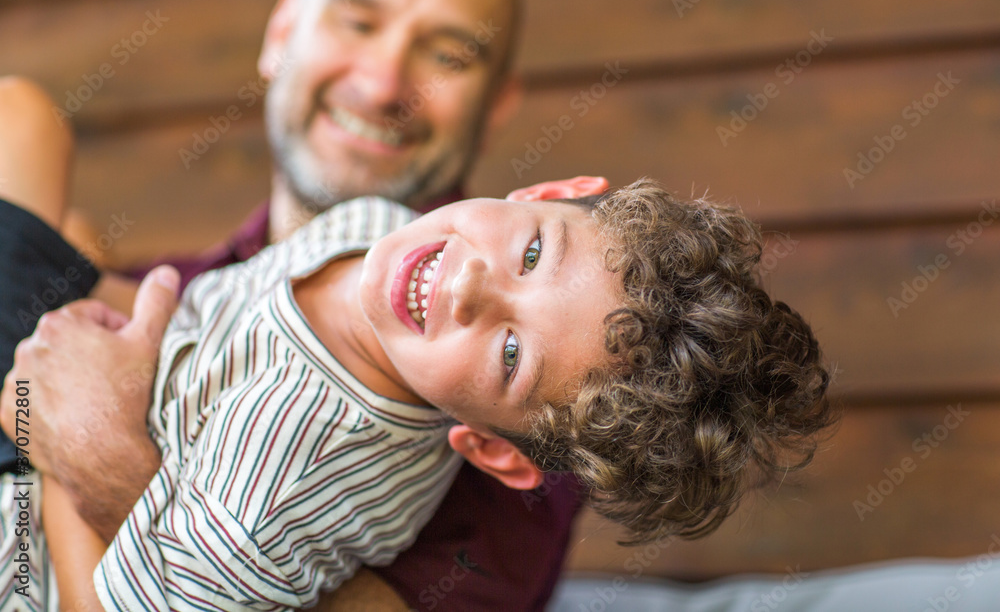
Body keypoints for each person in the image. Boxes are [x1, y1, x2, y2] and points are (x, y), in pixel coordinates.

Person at [0, 82, 832, 610]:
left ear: (491, 450)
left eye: (512, 355)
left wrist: (48, 425)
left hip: (25, 532)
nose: (471, 285)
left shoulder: (287, 477)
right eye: (533, 251)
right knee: (22, 122)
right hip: (83, 373)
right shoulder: (382, 226)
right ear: (551, 191)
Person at [0, 0, 578, 608]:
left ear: (497, 103)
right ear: (281, 33)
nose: (384, 82)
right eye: (357, 22)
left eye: (449, 54)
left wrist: (81, 448)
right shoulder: (194, 284)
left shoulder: (533, 422)